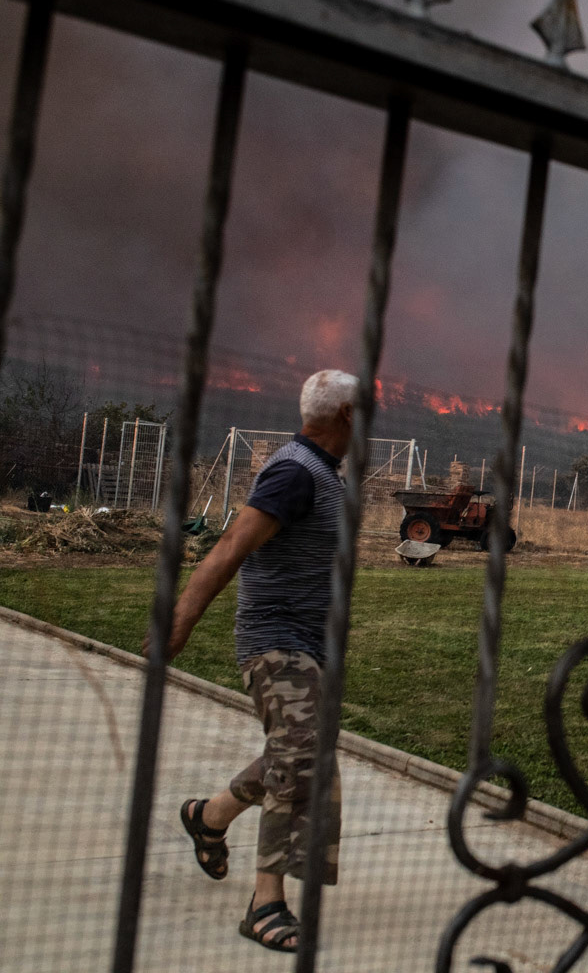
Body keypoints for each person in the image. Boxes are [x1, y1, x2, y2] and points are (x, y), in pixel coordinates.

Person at [145, 369, 356, 953]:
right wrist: (179, 618)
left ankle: (208, 817)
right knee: (301, 758)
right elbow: (232, 545)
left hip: (308, 645)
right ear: (346, 416)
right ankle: (266, 902)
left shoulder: (326, 475)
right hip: (275, 642)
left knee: (296, 751)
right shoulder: (295, 471)